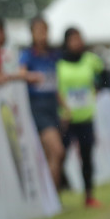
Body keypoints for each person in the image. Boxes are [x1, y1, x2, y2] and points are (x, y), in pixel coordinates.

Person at [56, 27, 104, 208]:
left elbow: (105, 74)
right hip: (66, 118)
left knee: (87, 157)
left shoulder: (90, 60)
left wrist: (99, 88)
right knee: (60, 156)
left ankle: (89, 196)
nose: (77, 43)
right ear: (66, 42)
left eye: (79, 39)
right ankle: (57, 196)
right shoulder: (59, 63)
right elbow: (55, 87)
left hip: (86, 117)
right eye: (73, 39)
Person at [19, 17, 65, 187]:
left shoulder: (53, 56)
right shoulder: (28, 55)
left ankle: (53, 198)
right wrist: (29, 77)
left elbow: (55, 85)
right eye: (38, 31)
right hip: (37, 107)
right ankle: (52, 196)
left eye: (45, 30)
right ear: (32, 33)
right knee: (57, 151)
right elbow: (21, 74)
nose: (42, 35)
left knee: (50, 155)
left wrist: (64, 107)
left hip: (52, 106)